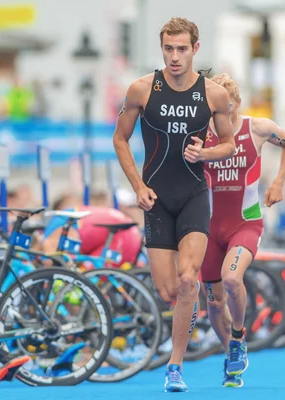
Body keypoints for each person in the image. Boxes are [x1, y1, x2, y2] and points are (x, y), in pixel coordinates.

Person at [112, 17, 235, 392]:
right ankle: (199, 314)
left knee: (187, 280)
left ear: (195, 49)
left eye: (182, 49)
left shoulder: (214, 94)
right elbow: (120, 139)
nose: (175, 56)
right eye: (169, 49)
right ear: (161, 48)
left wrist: (207, 153)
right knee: (168, 289)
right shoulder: (141, 89)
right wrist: (137, 186)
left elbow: (228, 144)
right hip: (156, 199)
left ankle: (175, 366)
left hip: (195, 194)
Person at [200, 73, 285, 387]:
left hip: (245, 223)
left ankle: (239, 336)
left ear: (238, 104)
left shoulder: (257, 128)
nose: (222, 115)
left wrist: (278, 182)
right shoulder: (202, 134)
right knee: (214, 302)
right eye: (216, 108)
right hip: (210, 227)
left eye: (227, 108)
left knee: (232, 278)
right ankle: (231, 354)